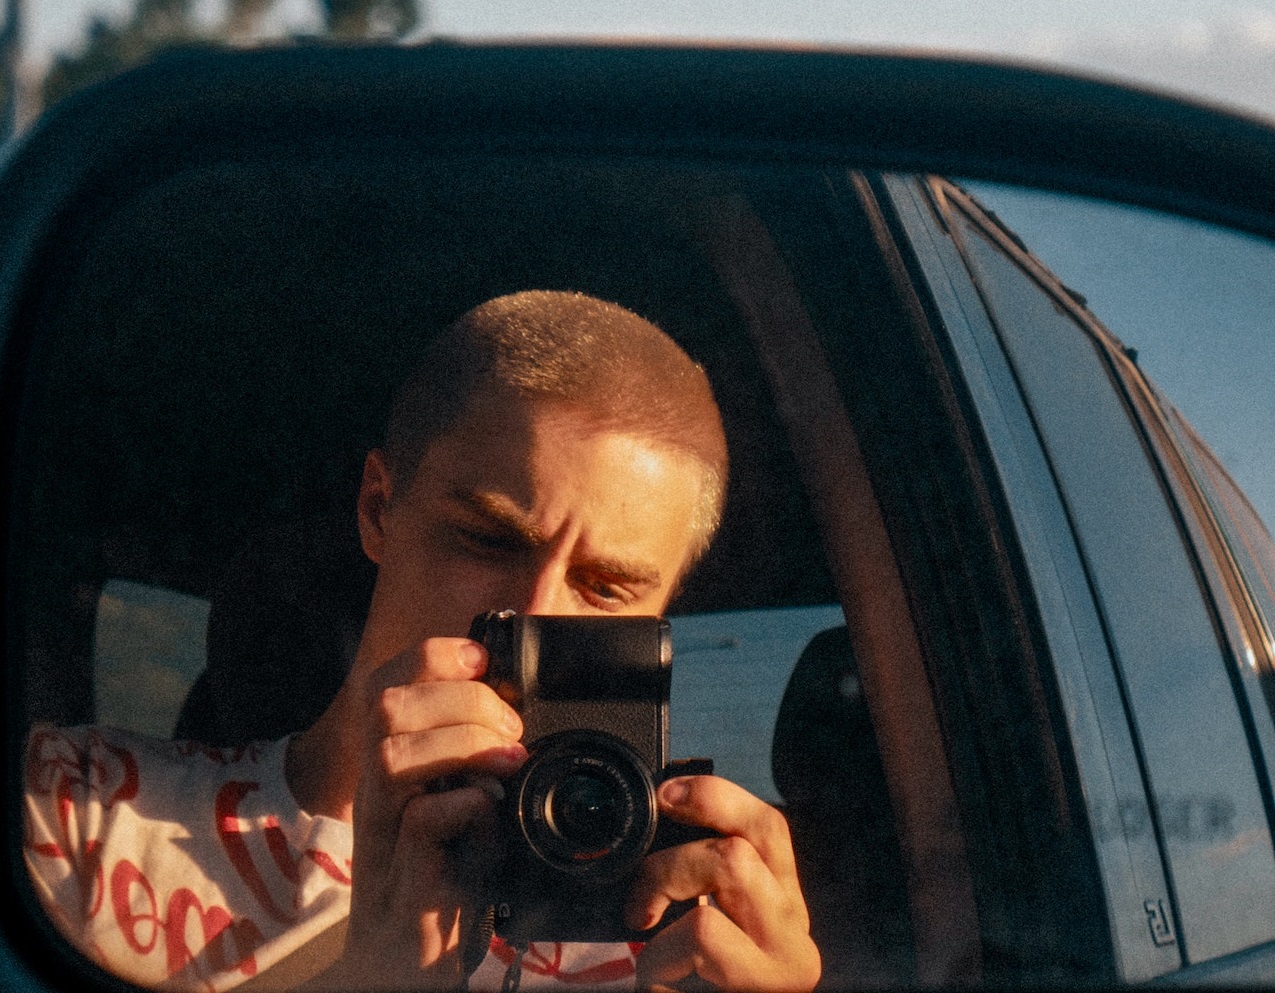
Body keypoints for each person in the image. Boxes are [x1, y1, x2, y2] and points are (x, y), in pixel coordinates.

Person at [24, 291, 821, 993]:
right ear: (377, 508)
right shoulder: (75, 811)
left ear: (660, 618)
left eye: (604, 586)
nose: (532, 610)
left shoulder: (679, 926)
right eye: (487, 540)